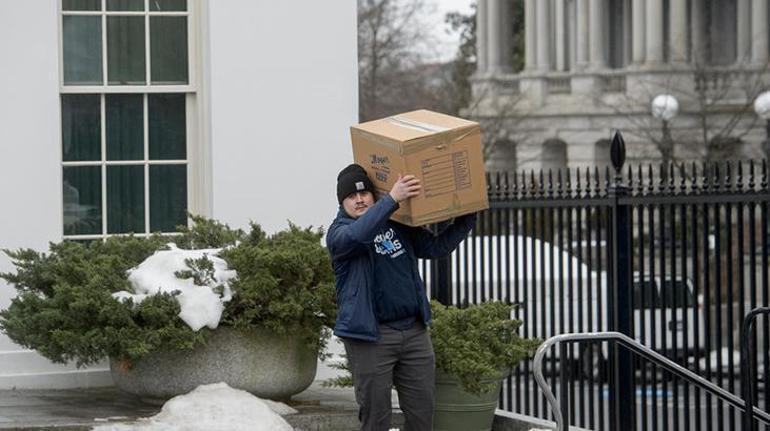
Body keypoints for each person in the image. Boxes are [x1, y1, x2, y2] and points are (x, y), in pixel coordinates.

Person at [326, 163, 476, 431]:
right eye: (351, 196)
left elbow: (435, 247)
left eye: (364, 194)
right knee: (376, 419)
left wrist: (467, 219)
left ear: (372, 195)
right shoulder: (339, 234)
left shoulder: (396, 224)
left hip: (414, 332)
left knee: (422, 416)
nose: (359, 200)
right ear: (342, 202)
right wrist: (392, 200)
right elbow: (360, 234)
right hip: (371, 338)